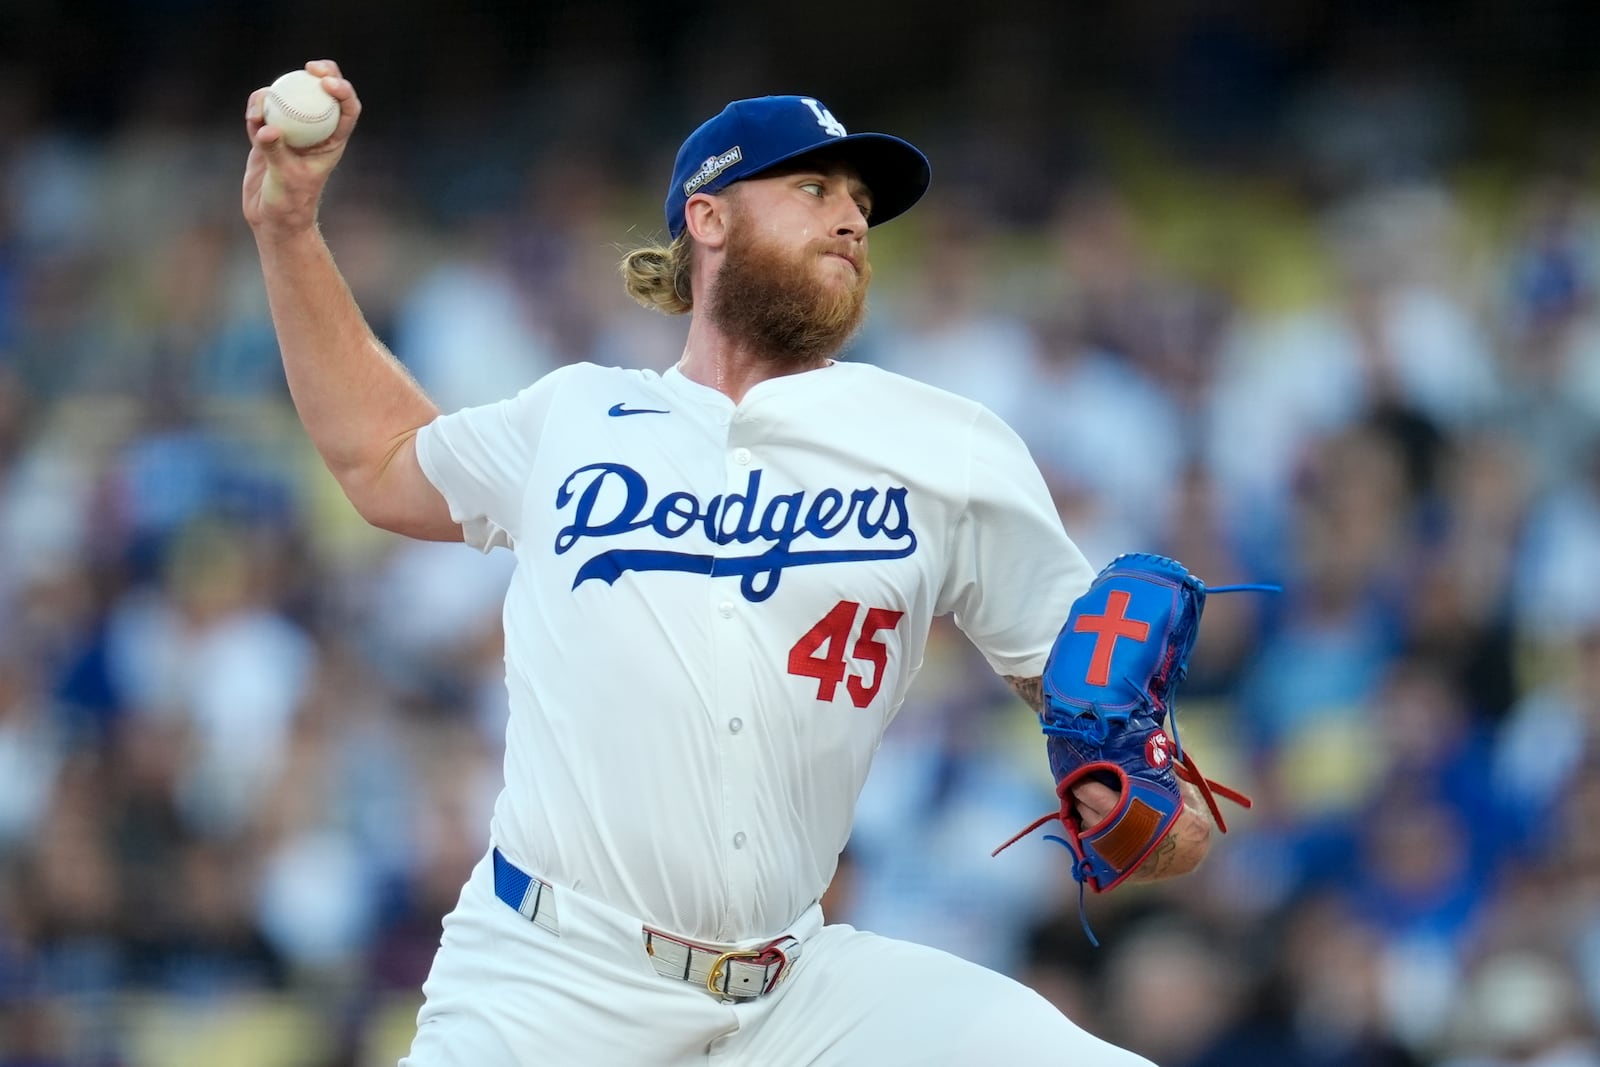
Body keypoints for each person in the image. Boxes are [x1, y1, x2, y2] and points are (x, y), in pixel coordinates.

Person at [242, 58, 1218, 1066]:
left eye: (858, 202)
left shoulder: (945, 444)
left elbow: (1106, 732)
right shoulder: (576, 416)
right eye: (811, 187)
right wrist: (288, 229)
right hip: (547, 980)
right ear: (707, 220)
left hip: (794, 993)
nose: (848, 219)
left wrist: (1154, 813)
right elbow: (381, 459)